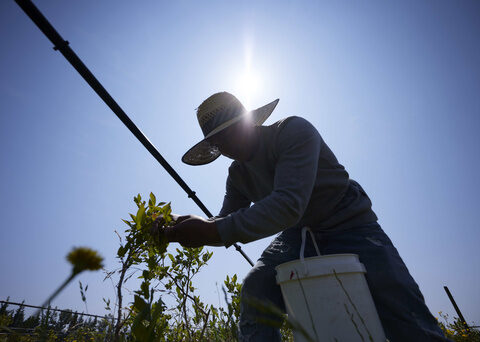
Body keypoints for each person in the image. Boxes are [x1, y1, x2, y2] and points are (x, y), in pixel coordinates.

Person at [158, 92, 449, 341]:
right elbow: (225, 220)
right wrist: (181, 225)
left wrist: (211, 232)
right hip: (297, 233)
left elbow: (287, 204)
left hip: (349, 221)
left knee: (401, 305)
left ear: (248, 123)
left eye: (231, 132)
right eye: (219, 143)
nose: (227, 147)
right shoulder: (237, 175)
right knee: (256, 287)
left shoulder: (292, 132)